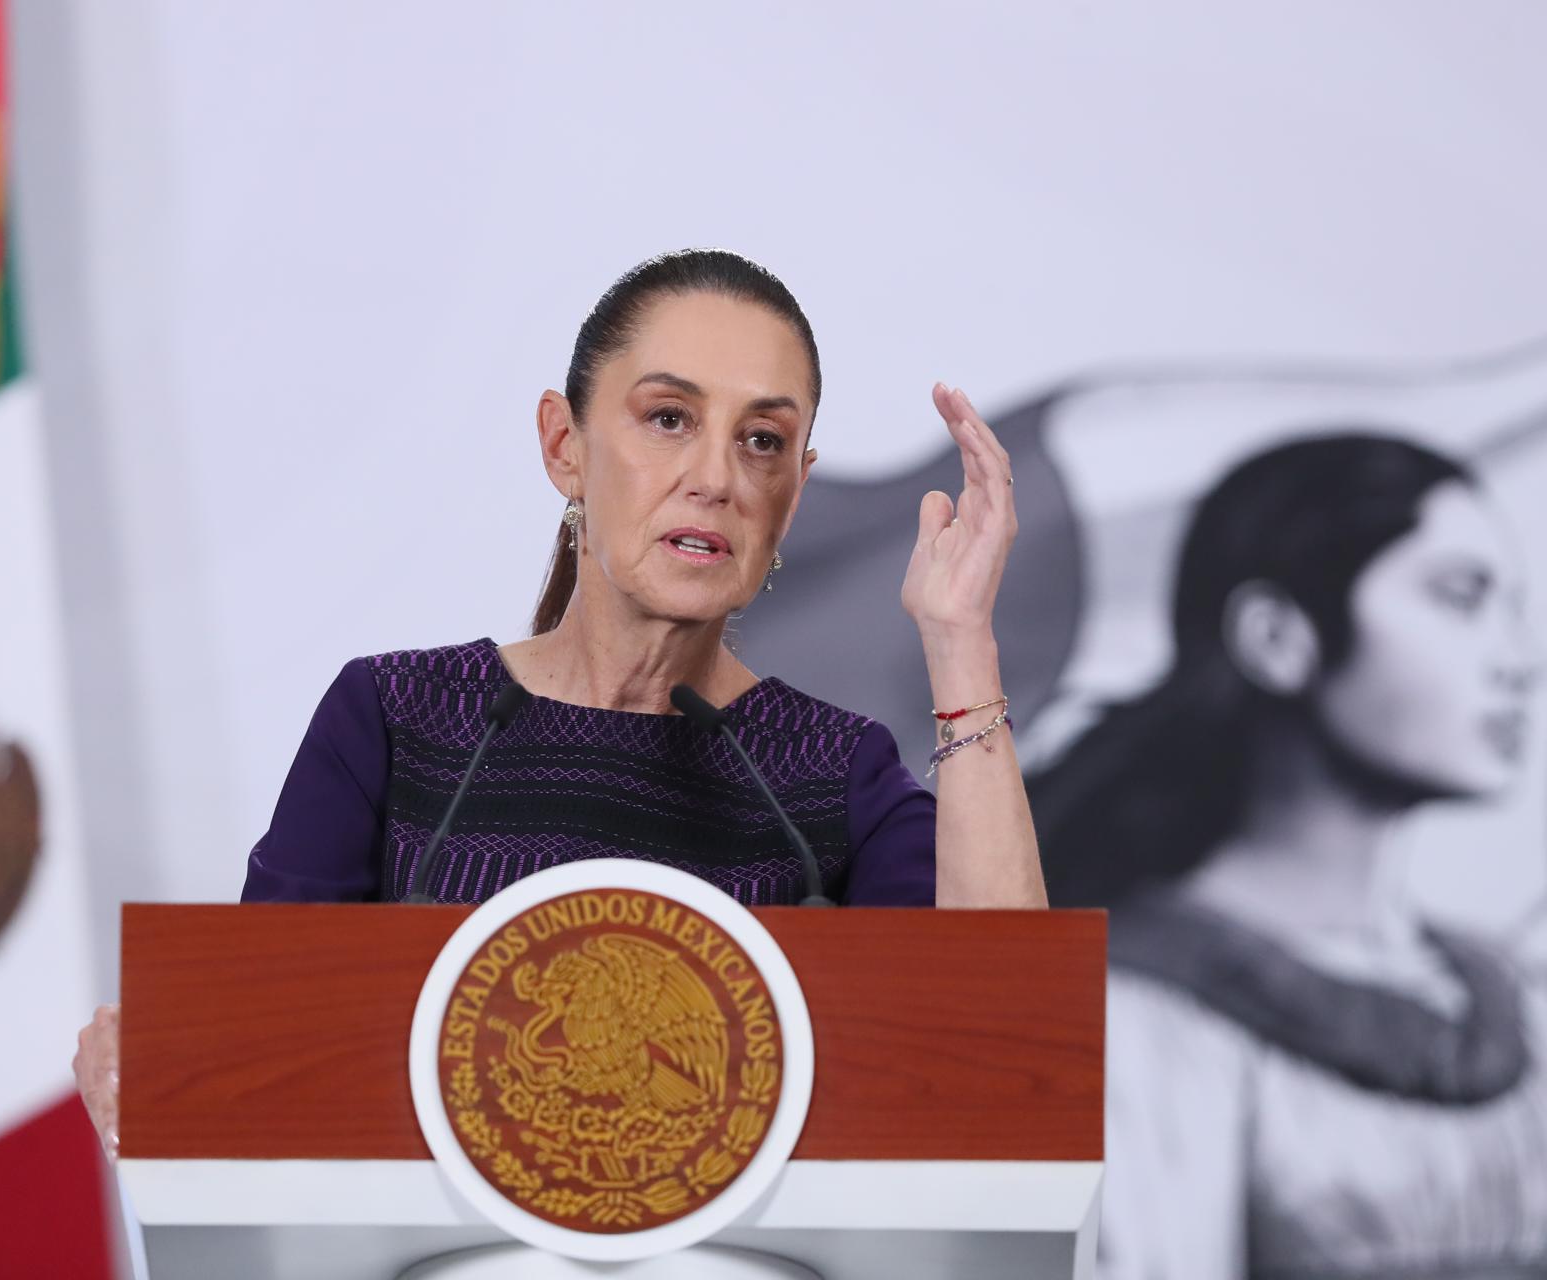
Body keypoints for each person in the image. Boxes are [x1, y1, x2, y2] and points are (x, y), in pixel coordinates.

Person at [75, 248, 1049, 1154]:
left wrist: (960, 640)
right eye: (668, 418)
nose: (716, 478)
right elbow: (258, 1058)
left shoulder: (833, 773)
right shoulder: (397, 719)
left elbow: (1000, 1054)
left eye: (763, 441)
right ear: (563, 444)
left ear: (794, 491)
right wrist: (165, 1083)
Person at [1030, 435, 1544, 1278]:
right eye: (1460, 597)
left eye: (1514, 609)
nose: (1520, 662)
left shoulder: (1513, 997)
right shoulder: (1126, 1018)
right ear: (1277, 636)